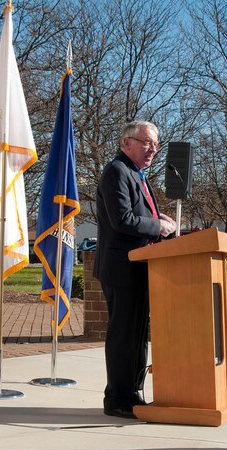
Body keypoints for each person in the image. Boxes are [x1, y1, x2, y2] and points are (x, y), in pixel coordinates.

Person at [94, 121, 176, 419]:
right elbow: (123, 220)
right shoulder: (117, 171)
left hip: (140, 269)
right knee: (124, 336)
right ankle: (116, 398)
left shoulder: (137, 175)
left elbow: (138, 215)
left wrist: (160, 218)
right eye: (146, 143)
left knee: (138, 336)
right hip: (121, 270)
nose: (152, 150)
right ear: (126, 143)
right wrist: (160, 226)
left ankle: (133, 394)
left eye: (155, 145)